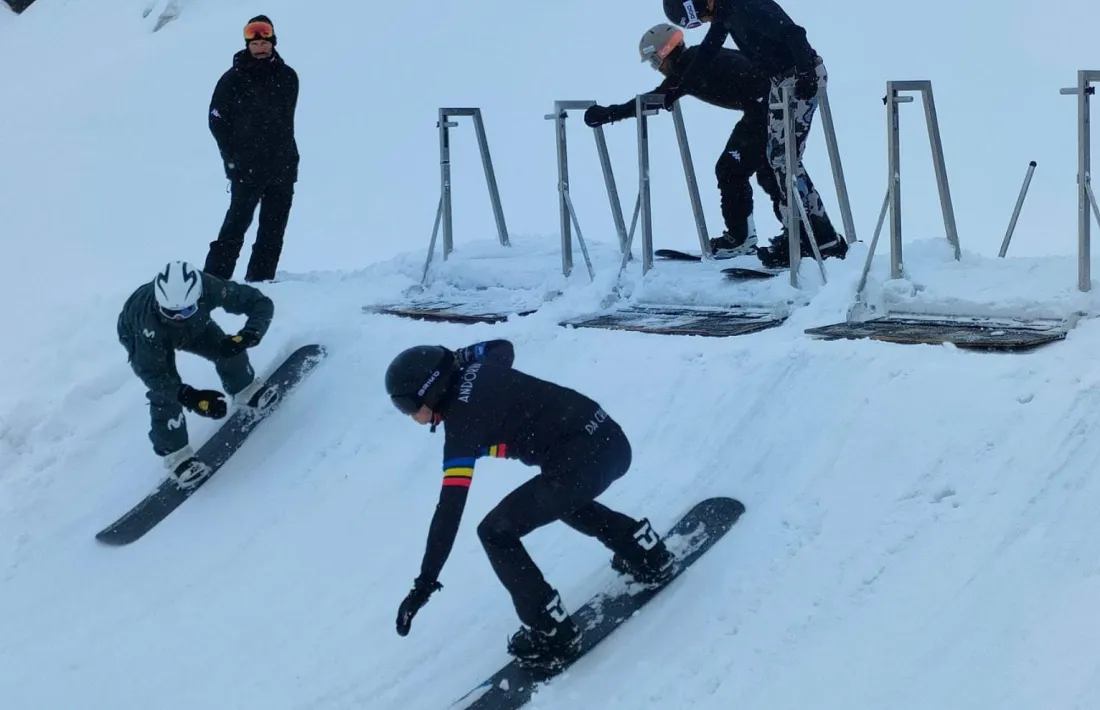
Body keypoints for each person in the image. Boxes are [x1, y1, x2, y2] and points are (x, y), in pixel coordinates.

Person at [387, 339, 676, 669]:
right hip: (610, 441)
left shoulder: (461, 426)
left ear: (429, 391)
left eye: (407, 405)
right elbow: (501, 347)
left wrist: (424, 583)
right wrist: (457, 357)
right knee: (559, 497)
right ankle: (644, 551)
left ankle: (552, 632)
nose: (409, 416)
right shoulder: (481, 369)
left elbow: (449, 510)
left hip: (583, 463)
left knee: (496, 532)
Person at [661, 0, 847, 268]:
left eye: (697, 16)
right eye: (694, 22)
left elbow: (794, 33)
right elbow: (705, 55)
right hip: (780, 82)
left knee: (784, 161)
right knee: (776, 161)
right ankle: (803, 236)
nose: (702, 22)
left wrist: (806, 72)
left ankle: (821, 241)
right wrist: (674, 92)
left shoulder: (744, 5)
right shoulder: (726, 12)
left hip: (797, 77)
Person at [584, 23, 785, 260]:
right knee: (770, 173)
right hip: (774, 105)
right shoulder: (698, 57)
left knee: (731, 170)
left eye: (654, 62)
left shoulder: (690, 67)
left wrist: (609, 113)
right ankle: (801, 235)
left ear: (663, 55)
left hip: (767, 110)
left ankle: (741, 239)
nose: (656, 69)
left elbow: (656, 98)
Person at [116, 261, 276, 488]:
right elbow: (154, 375)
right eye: (172, 312)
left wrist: (249, 335)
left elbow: (259, 303)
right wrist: (191, 397)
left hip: (197, 325)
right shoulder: (146, 324)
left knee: (227, 348)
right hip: (146, 335)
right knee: (166, 392)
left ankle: (245, 388)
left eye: (185, 310)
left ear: (198, 296)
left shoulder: (210, 287)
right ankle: (177, 455)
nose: (179, 317)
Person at [205, 14, 300, 283]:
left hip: (282, 167)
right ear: (247, 42)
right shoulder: (232, 79)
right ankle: (213, 284)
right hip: (247, 169)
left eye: (264, 38)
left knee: (272, 233)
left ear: (272, 40)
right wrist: (232, 157)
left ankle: (259, 284)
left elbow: (283, 122)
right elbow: (216, 120)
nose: (259, 44)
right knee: (233, 229)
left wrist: (284, 156)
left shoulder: (288, 76)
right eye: (253, 39)